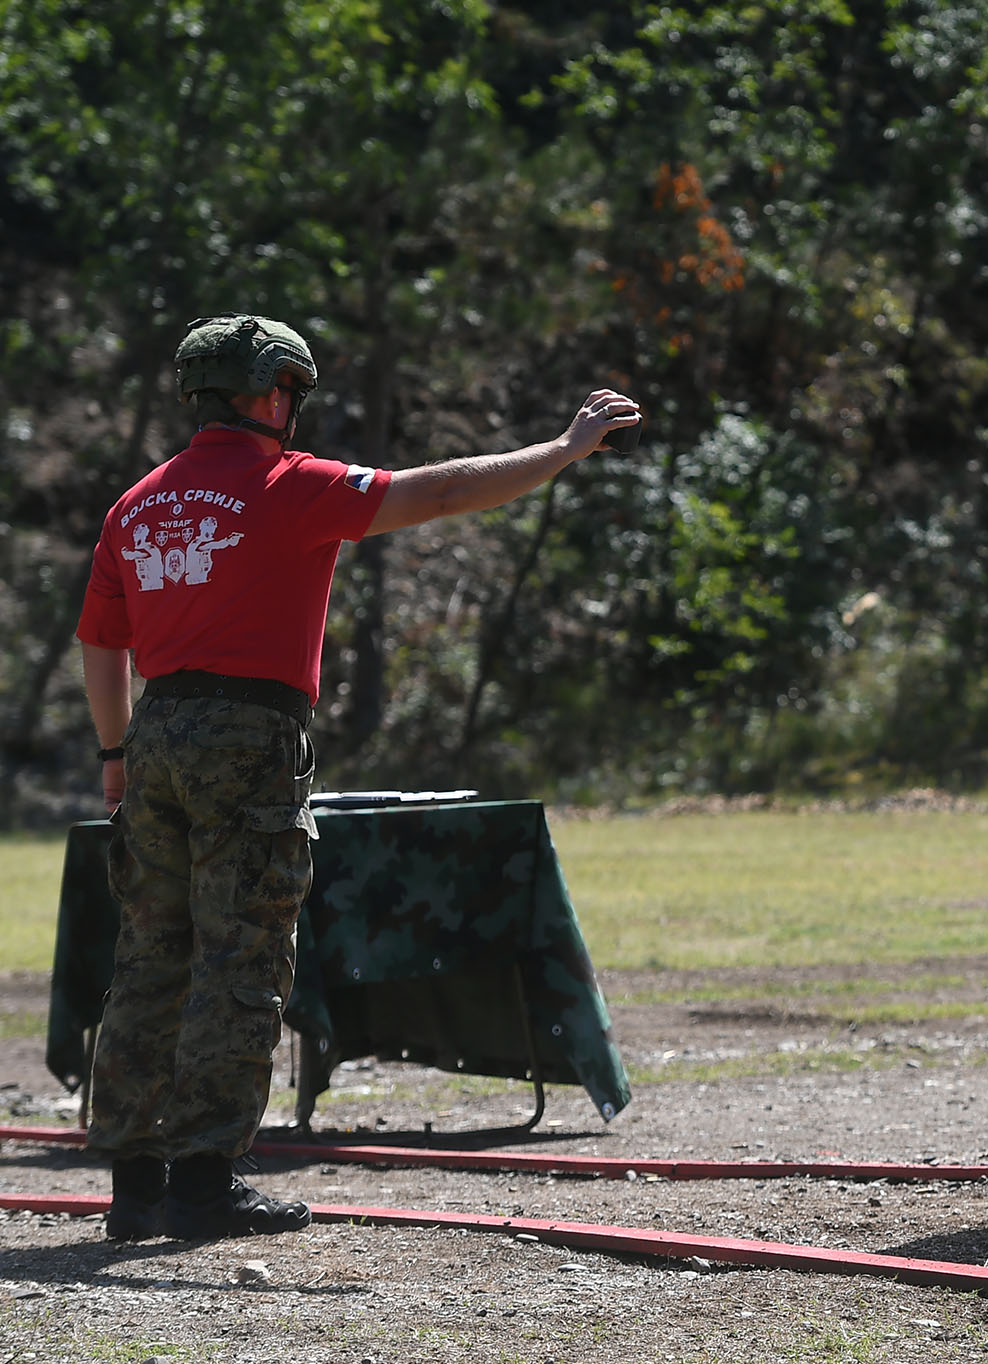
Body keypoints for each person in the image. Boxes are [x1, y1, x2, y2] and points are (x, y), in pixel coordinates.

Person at [78, 313, 641, 1243]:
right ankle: (205, 1181)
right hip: (250, 734)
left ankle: (135, 1185)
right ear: (269, 395)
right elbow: (445, 490)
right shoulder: (291, 484)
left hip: (158, 730)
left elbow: (102, 645)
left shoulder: (136, 506)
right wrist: (564, 447)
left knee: (149, 957)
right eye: (290, 394)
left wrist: (113, 755)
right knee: (240, 956)